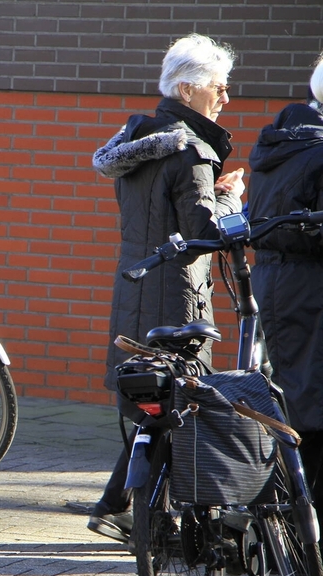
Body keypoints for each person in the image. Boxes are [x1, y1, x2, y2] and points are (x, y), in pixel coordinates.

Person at [87, 34, 246, 543]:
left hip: (134, 285)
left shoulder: (134, 144)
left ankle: (118, 506)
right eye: (217, 88)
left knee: (150, 403)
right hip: (177, 296)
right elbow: (200, 233)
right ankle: (138, 515)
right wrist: (231, 201)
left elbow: (154, 220)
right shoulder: (193, 152)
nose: (225, 98)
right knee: (178, 401)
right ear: (186, 89)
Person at [247, 54, 323, 525]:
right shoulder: (316, 153)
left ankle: (283, 530)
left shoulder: (278, 147)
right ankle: (297, 538)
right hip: (310, 290)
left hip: (278, 285)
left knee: (298, 406)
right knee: (312, 414)